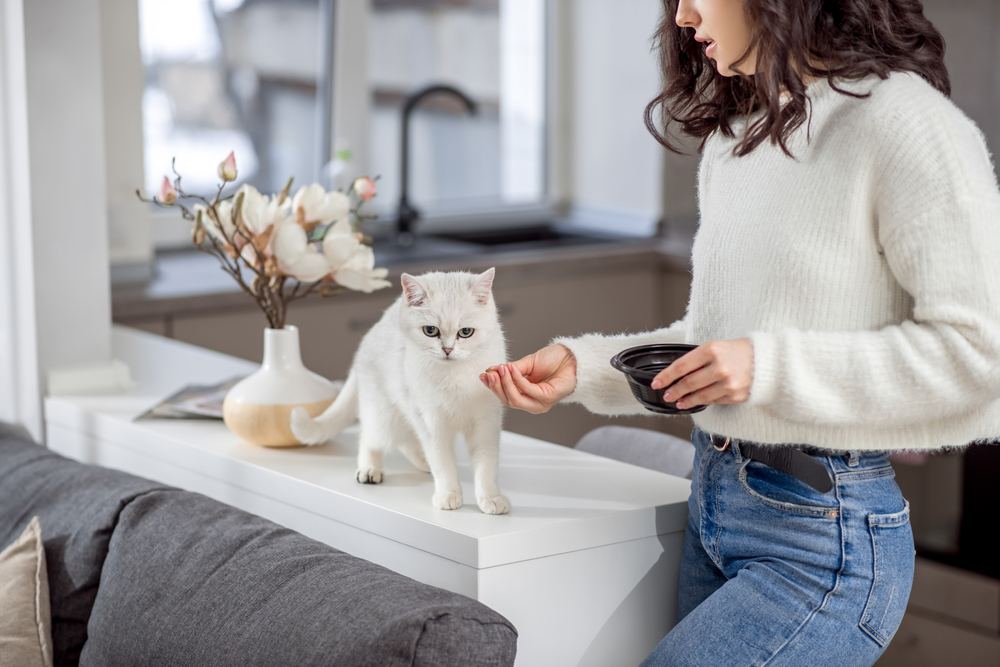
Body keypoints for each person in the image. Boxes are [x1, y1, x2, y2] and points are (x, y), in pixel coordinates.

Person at [478, 0, 1000, 664]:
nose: (684, 16)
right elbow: (712, 342)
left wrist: (766, 367)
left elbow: (980, 351)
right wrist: (584, 368)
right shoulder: (739, 135)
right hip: (714, 505)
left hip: (825, 538)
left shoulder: (904, 121)